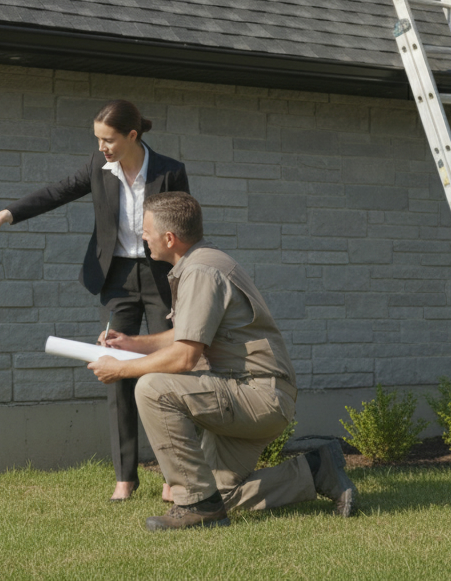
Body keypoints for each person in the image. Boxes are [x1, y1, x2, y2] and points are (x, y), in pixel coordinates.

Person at [88, 192, 356, 531]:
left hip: (257, 395)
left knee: (152, 387)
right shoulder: (203, 262)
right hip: (250, 393)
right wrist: (132, 344)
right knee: (220, 496)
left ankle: (195, 504)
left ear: (169, 238)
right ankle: (317, 470)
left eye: (146, 231)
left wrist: (122, 369)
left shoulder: (201, 271)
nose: (142, 237)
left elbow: (186, 356)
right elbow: (188, 333)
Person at [0, 100, 188, 502]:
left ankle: (173, 475)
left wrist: (183, 281)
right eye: (98, 139)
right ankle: (125, 477)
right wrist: (5, 215)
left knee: (165, 373)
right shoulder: (98, 170)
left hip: (158, 279)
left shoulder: (170, 171)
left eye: (109, 139)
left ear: (132, 136)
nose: (102, 147)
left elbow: (182, 229)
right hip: (116, 279)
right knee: (114, 366)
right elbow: (56, 192)